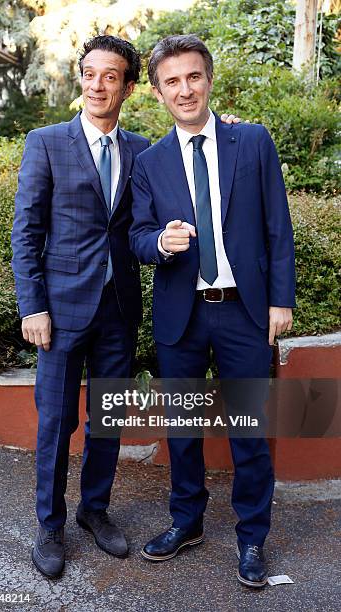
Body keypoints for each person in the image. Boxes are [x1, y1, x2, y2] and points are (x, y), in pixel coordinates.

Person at [11, 34, 239, 579]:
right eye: (90, 73)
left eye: (111, 76)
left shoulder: (143, 150)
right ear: (80, 78)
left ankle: (95, 510)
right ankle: (50, 524)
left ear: (130, 87)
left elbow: (192, 161)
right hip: (60, 313)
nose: (98, 85)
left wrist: (228, 131)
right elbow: (26, 233)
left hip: (119, 309)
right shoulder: (45, 143)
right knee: (56, 423)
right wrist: (32, 306)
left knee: (105, 420)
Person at [130, 34, 295, 588]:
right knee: (183, 429)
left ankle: (252, 537)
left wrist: (280, 300)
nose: (185, 89)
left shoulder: (251, 142)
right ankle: (187, 521)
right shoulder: (150, 161)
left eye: (193, 76)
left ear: (209, 78)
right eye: (172, 81)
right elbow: (136, 235)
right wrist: (160, 244)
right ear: (157, 92)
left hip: (245, 313)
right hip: (182, 315)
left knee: (248, 428)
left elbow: (277, 227)